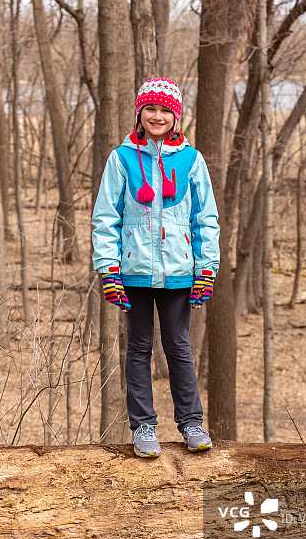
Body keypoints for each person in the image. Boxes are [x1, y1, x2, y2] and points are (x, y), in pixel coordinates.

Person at [92, 78, 220, 458]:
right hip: (134, 272)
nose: (158, 116)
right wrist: (108, 269)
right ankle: (143, 426)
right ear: (140, 113)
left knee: (179, 347)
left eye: (166, 110)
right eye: (151, 109)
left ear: (176, 116)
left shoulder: (192, 160)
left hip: (180, 272)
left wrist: (207, 268)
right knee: (139, 348)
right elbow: (105, 218)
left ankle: (191, 423)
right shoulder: (121, 158)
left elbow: (206, 219)